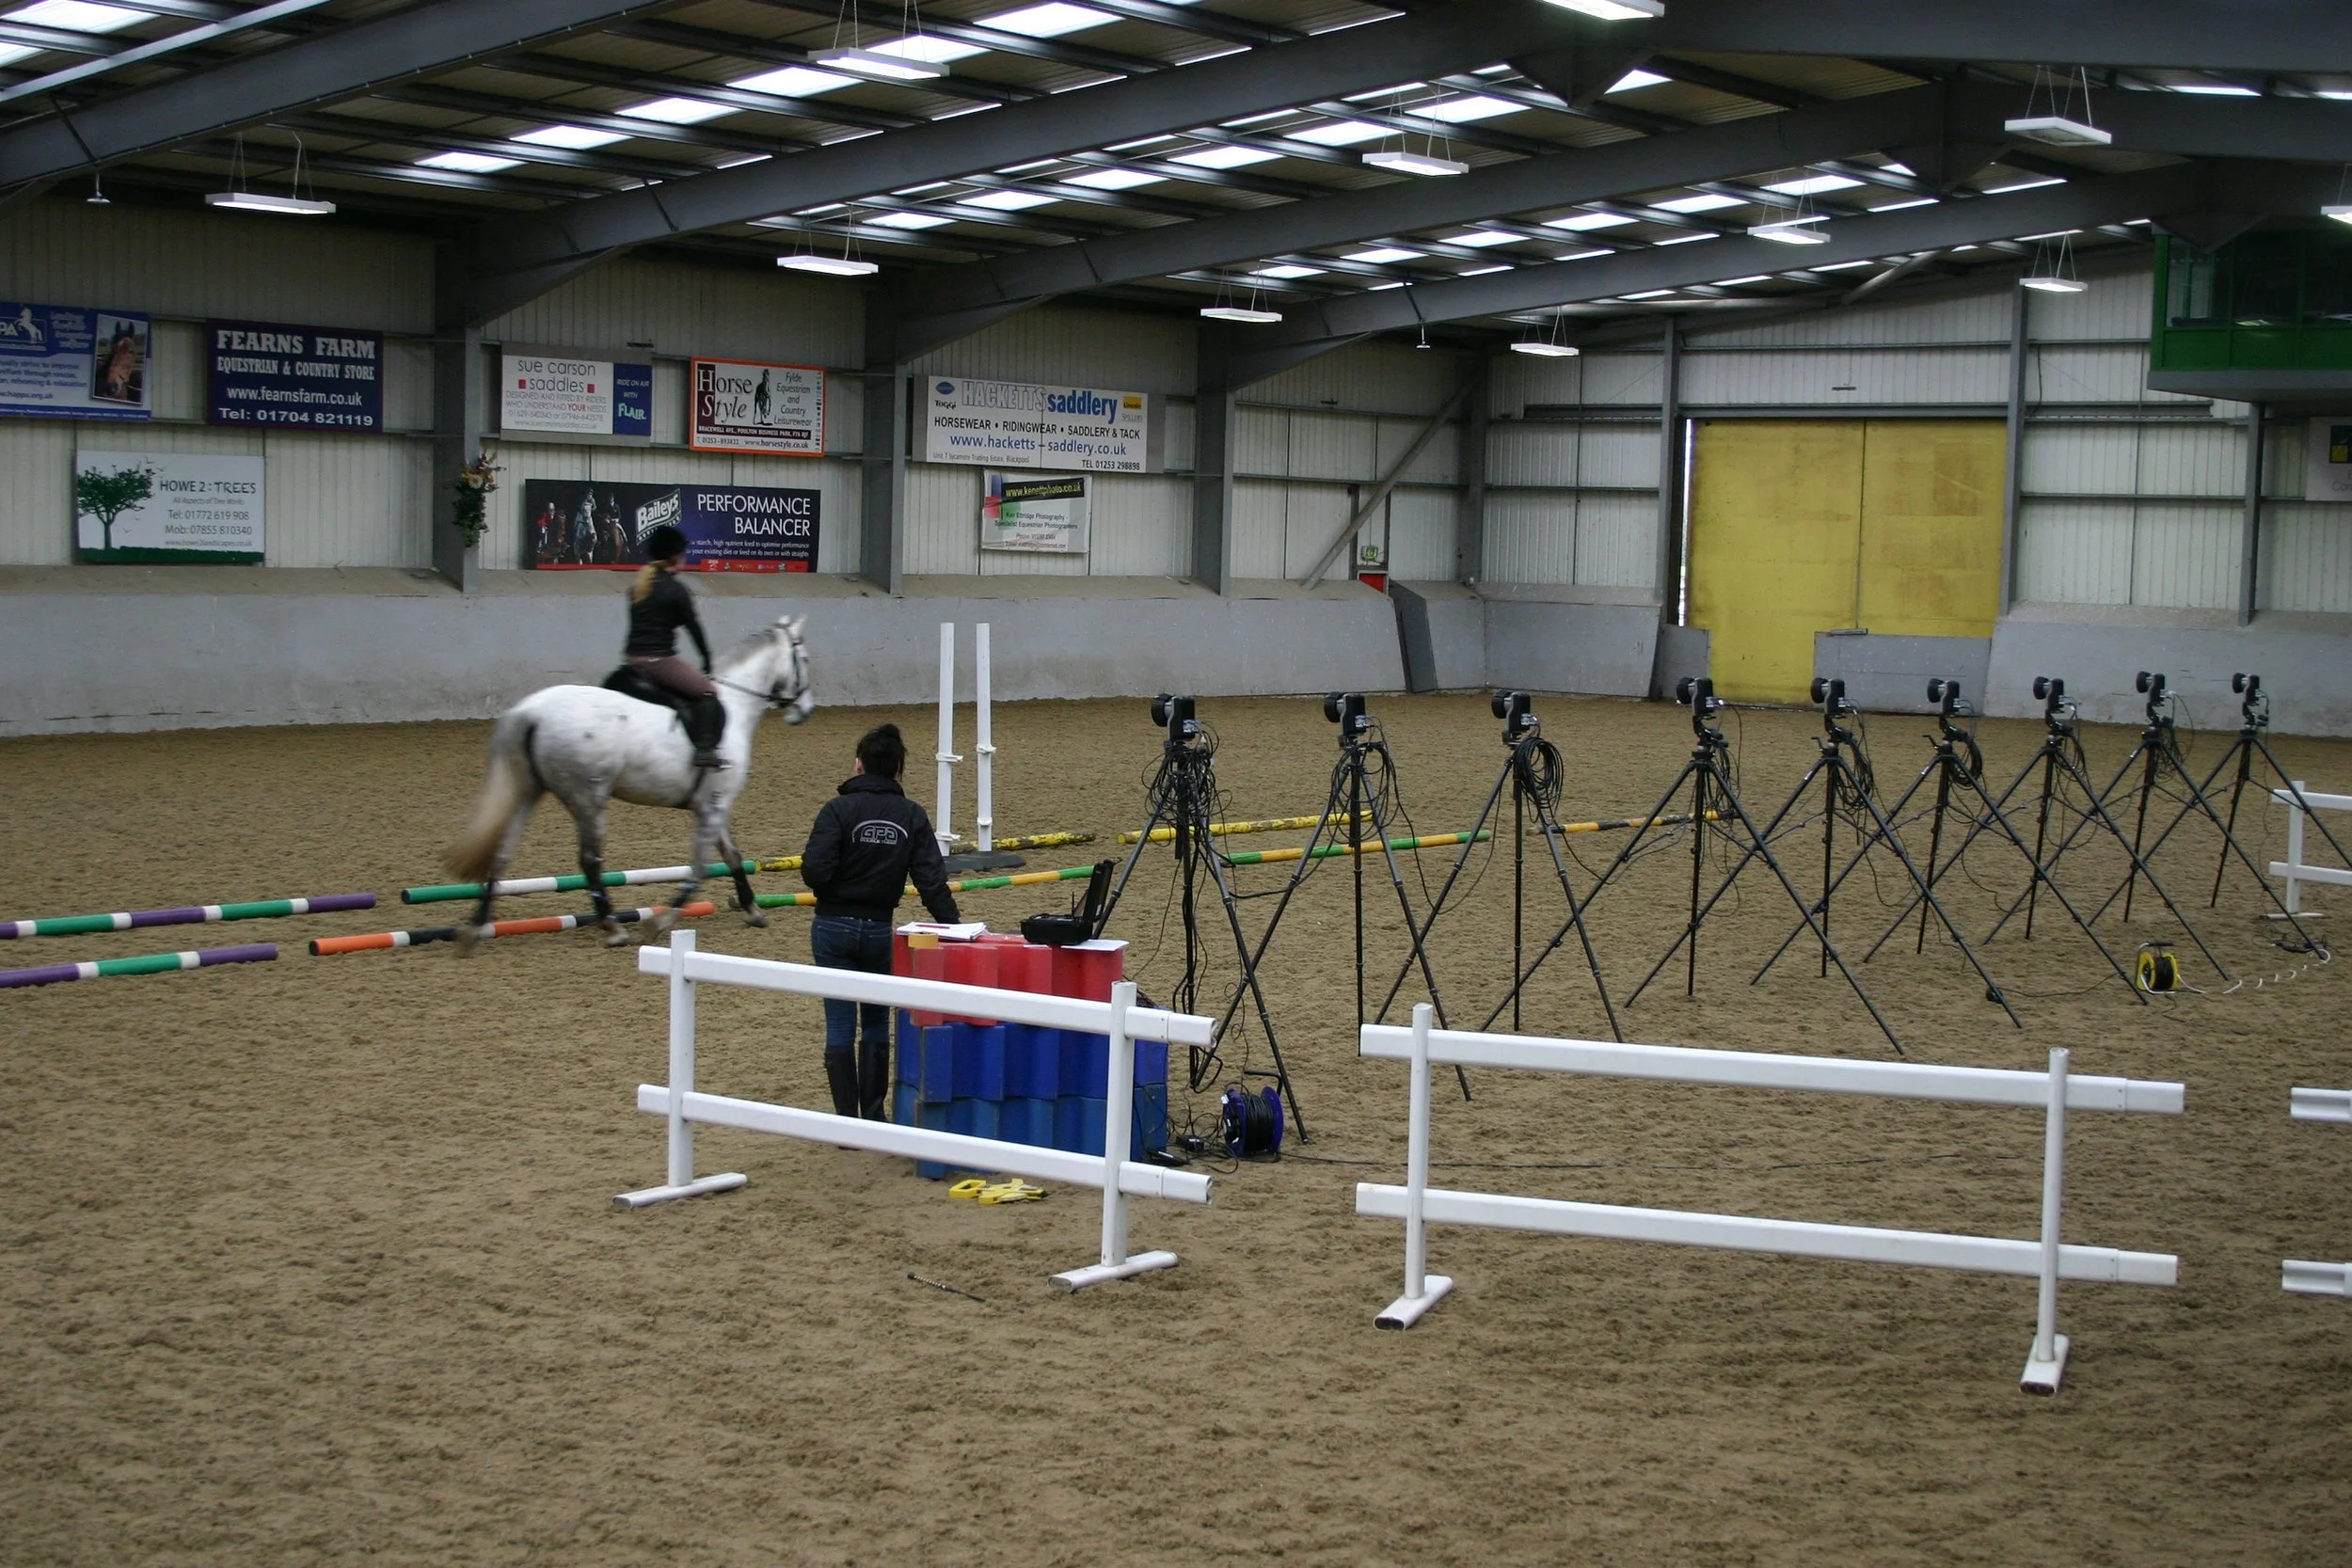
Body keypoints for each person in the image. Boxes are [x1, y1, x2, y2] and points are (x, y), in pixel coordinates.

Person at [800, 723, 961, 1120]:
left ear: (859, 764)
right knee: (875, 1025)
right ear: (897, 769)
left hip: (833, 926)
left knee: (839, 1025)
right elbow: (930, 880)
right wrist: (954, 926)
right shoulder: (911, 815)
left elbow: (815, 872)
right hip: (877, 929)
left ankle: (846, 1119)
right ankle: (873, 1115)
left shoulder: (836, 810)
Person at [624, 523, 725, 769]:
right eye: (682, 553)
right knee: (709, 692)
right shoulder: (676, 590)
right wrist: (707, 658)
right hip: (659, 661)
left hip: (631, 659)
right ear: (673, 556)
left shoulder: (639, 586)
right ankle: (704, 751)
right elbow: (693, 627)